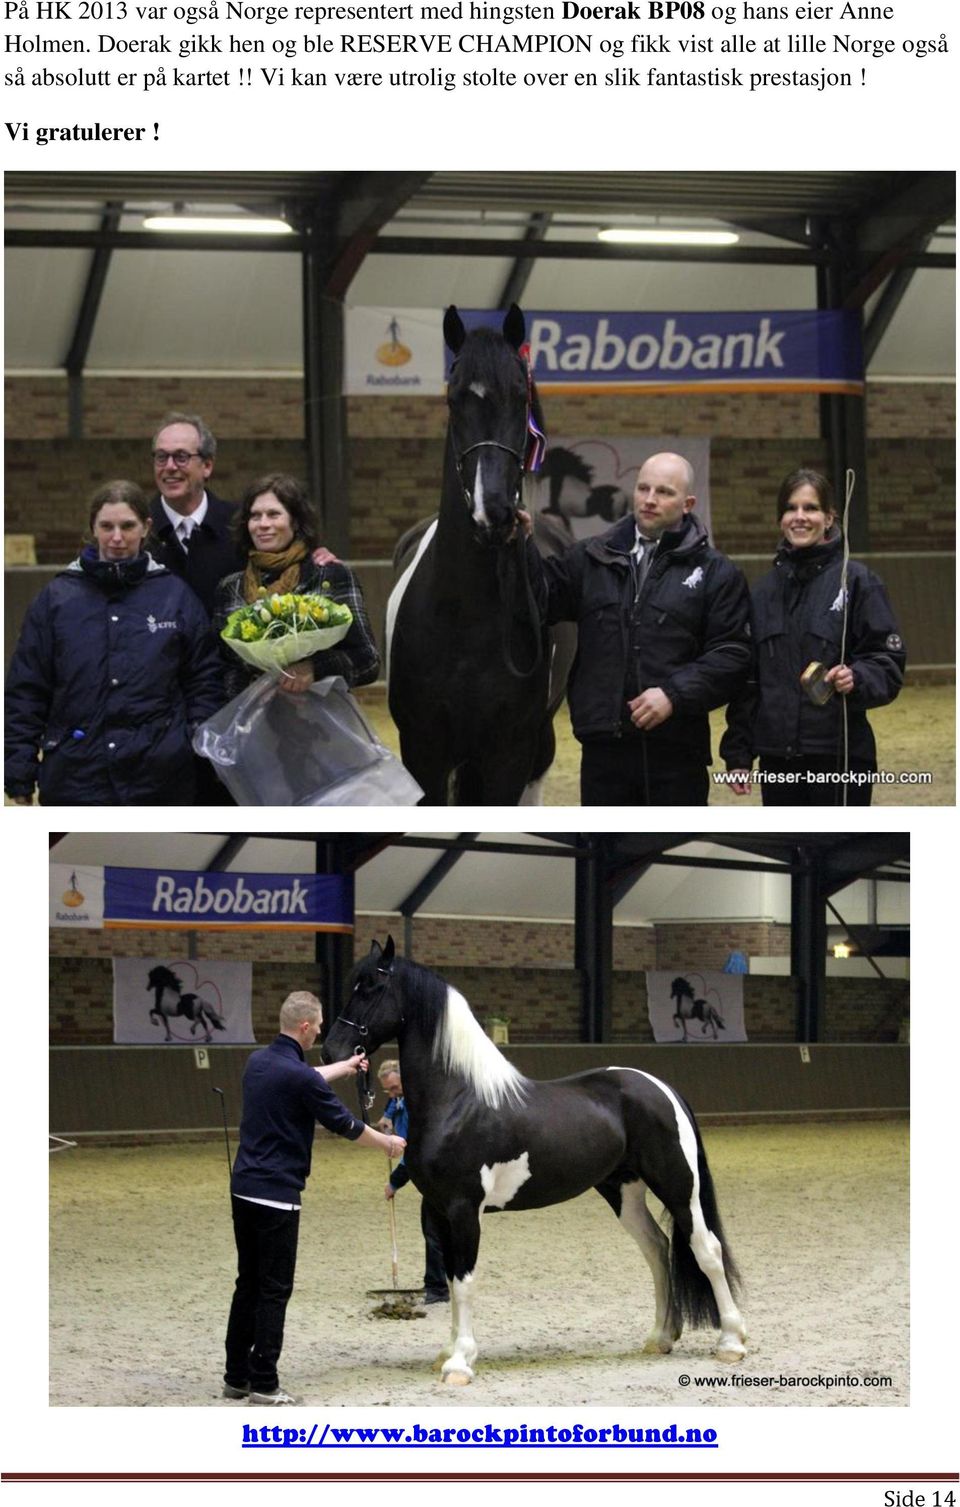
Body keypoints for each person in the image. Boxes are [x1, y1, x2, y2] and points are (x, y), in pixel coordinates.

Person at [527, 451, 751, 805]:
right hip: (603, 753)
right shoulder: (589, 559)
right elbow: (535, 597)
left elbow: (733, 654)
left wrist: (673, 695)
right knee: (603, 858)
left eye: (664, 492)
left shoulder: (717, 573)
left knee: (672, 857)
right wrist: (519, 545)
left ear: (688, 503)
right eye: (643, 488)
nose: (649, 500)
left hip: (677, 754)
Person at [225, 991, 405, 1407]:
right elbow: (346, 1125)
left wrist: (345, 1066)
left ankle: (235, 1376)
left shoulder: (259, 1063)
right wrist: (388, 1144)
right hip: (278, 1196)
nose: (322, 1030)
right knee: (274, 1289)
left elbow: (304, 1078)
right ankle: (265, 1382)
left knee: (247, 1283)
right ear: (305, 1026)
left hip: (243, 1189)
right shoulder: (300, 1076)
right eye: (320, 1025)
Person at [4, 480, 221, 806]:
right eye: (107, 526)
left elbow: (204, 678)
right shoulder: (57, 599)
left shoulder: (175, 596)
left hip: (160, 777)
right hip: (76, 776)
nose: (117, 537)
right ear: (93, 528)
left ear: (146, 527)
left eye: (127, 526)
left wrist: (189, 742)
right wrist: (18, 769)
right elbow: (27, 688)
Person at [720, 467, 905, 806]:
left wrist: (858, 676)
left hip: (840, 756)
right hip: (777, 761)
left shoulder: (860, 582)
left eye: (811, 508)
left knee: (841, 856)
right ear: (780, 518)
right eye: (791, 508)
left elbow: (888, 662)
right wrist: (739, 755)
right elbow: (748, 682)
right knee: (792, 857)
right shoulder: (762, 593)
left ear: (830, 517)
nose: (800, 517)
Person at [211, 473, 380, 703]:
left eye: (274, 514)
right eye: (255, 516)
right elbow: (219, 667)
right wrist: (254, 685)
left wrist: (314, 669)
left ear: (296, 521)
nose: (263, 524)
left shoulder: (330, 575)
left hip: (322, 725)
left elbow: (368, 661)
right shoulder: (230, 588)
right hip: (253, 725)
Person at [149, 412, 242, 617]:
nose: (170, 467)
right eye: (162, 457)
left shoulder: (239, 525)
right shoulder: (137, 529)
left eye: (181, 457)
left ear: (207, 466)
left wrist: (317, 558)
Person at [376, 1060, 448, 1304]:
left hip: (434, 1172)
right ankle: (436, 1284)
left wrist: (393, 1183)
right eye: (388, 1090)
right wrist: (387, 1117)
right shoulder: (401, 1098)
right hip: (428, 1174)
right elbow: (394, 1105)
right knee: (434, 1230)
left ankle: (438, 1288)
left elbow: (411, 1154)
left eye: (395, 1088)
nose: (392, 1093)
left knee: (434, 1231)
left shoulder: (418, 1106)